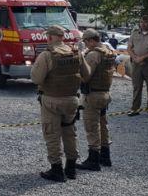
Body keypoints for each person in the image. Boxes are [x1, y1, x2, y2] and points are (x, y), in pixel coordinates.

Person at [31, 25, 89, 182]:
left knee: (52, 134)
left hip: (51, 100)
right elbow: (87, 74)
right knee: (70, 133)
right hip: (72, 100)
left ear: (50, 37)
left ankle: (56, 170)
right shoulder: (76, 52)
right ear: (62, 37)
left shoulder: (47, 55)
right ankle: (71, 168)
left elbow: (36, 79)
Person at [77, 28, 116, 171]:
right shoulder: (107, 51)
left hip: (92, 95)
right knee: (103, 126)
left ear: (92, 40)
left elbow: (85, 76)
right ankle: (105, 157)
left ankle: (93, 160)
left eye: (86, 42)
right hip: (105, 93)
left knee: (92, 127)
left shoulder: (93, 55)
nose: (85, 45)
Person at [127, 16, 148, 118]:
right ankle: (135, 109)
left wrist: (143, 58)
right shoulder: (134, 33)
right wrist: (136, 58)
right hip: (136, 65)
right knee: (136, 87)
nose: (143, 24)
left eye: (146, 22)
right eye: (141, 22)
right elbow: (129, 48)